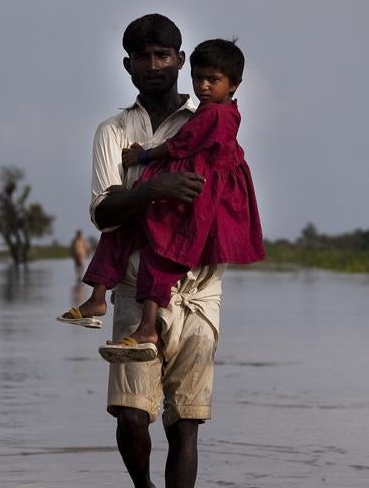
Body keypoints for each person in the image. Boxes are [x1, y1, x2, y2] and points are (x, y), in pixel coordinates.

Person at [79, 12, 220, 488]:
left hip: (198, 289)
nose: (156, 66)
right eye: (145, 56)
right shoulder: (114, 132)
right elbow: (104, 211)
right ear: (128, 65)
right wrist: (155, 188)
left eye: (166, 55)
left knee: (185, 422)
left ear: (182, 59)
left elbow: (224, 191)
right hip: (137, 289)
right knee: (131, 418)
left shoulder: (209, 123)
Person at [62, 39, 262, 355]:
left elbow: (180, 146)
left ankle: (145, 327)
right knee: (120, 233)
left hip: (192, 206)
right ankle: (99, 298)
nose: (204, 86)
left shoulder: (215, 116)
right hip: (170, 197)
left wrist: (143, 158)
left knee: (162, 254)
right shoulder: (114, 129)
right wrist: (141, 190)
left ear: (234, 85)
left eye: (213, 80)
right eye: (200, 79)